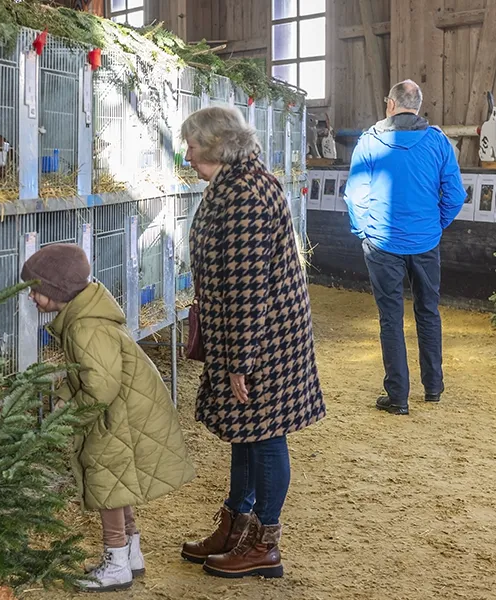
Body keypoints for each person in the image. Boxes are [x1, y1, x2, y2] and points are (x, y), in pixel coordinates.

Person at [178, 106, 325, 579]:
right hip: (254, 332)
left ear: (218, 145)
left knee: (264, 437)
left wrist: (240, 360)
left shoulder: (243, 194)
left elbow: (247, 285)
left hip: (261, 338)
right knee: (246, 433)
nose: (187, 154)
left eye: (192, 146)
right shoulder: (240, 182)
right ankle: (234, 527)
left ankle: (265, 544)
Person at [20, 243, 196, 592]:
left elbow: (99, 386)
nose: (31, 297)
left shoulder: (86, 328)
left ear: (57, 291)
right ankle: (130, 553)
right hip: (120, 408)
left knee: (107, 484)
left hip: (116, 415)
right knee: (118, 482)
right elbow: (88, 377)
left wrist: (68, 415)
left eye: (36, 290)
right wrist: (64, 400)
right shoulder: (85, 318)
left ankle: (115, 562)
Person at [344, 79, 466, 415]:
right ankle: (434, 387)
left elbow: (355, 194)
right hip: (425, 243)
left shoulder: (369, 142)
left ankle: (397, 396)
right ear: (418, 105)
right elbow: (456, 196)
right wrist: (434, 225)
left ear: (390, 104)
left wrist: (363, 231)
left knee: (391, 319)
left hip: (382, 244)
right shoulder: (438, 142)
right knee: (428, 311)